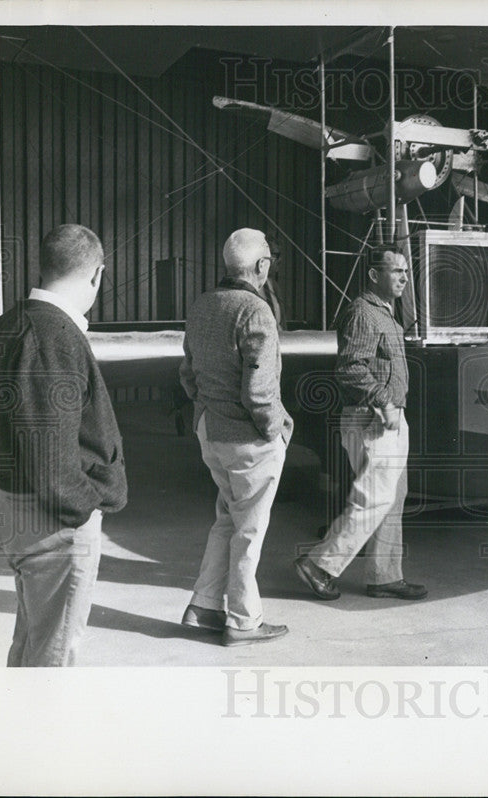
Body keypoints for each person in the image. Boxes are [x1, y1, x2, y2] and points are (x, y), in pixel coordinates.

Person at [0, 224, 127, 666]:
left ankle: (17, 726)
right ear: (98, 275)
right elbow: (49, 460)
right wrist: (87, 505)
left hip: (12, 506)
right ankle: (39, 733)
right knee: (55, 655)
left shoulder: (5, 326)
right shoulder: (53, 337)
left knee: (32, 640)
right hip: (51, 521)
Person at [179, 228, 294, 647]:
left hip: (211, 431)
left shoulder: (202, 305)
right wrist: (277, 428)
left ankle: (204, 607)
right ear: (262, 266)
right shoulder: (255, 310)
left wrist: (207, 410)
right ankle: (244, 622)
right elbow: (260, 391)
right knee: (250, 530)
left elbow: (188, 375)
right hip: (248, 439)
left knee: (227, 520)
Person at [295, 249, 426, 601]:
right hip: (372, 418)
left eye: (405, 271)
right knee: (375, 497)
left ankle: (384, 576)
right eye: (395, 270)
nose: (403, 277)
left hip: (391, 417)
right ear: (372, 275)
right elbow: (351, 367)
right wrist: (383, 401)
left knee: (392, 499)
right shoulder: (363, 313)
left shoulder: (386, 314)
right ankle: (319, 565)